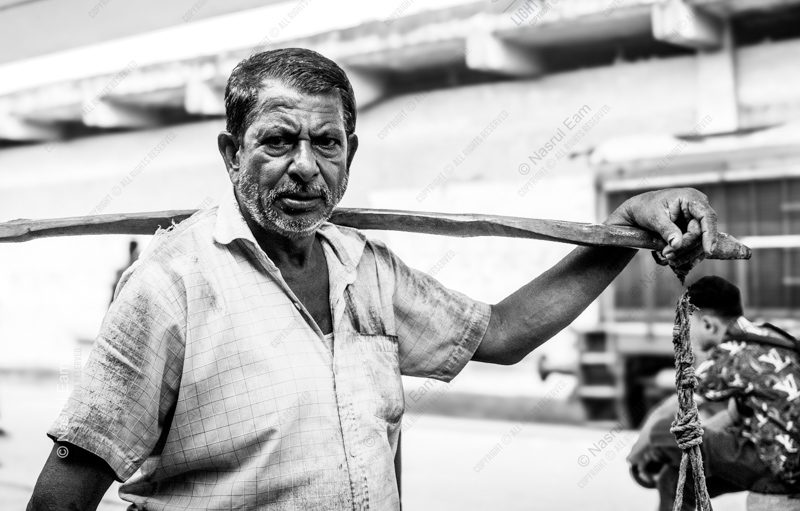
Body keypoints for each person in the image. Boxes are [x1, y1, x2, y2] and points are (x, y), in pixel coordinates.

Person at [28, 48, 721, 510]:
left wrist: (622, 230)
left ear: (349, 154)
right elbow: (66, 487)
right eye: (278, 140)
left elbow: (504, 332)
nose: (306, 166)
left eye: (326, 142)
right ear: (231, 153)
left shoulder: (367, 269)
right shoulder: (170, 284)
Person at [627, 276, 800, 510]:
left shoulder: (730, 354)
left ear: (709, 324)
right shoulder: (770, 337)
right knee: (674, 479)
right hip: (783, 462)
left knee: (662, 429)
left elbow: (670, 410)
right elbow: (732, 417)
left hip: (780, 470)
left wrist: (636, 456)